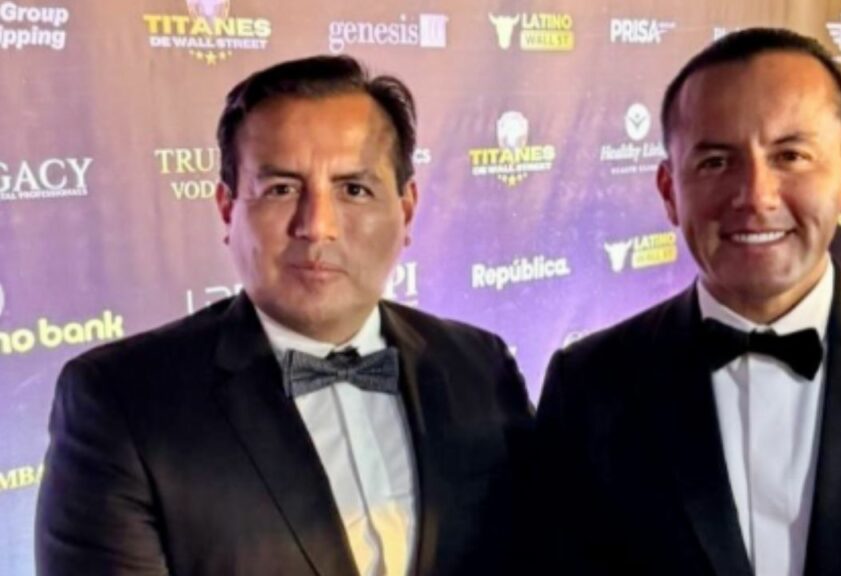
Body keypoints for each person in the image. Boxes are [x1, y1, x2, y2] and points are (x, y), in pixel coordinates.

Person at [535, 27, 841, 575]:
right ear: (670, 192)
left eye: (790, 155)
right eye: (715, 162)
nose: (755, 196)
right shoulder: (588, 386)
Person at [36, 55, 533, 576]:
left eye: (354, 189)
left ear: (406, 210)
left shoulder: (481, 365)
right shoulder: (119, 403)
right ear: (227, 208)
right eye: (281, 189)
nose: (316, 226)